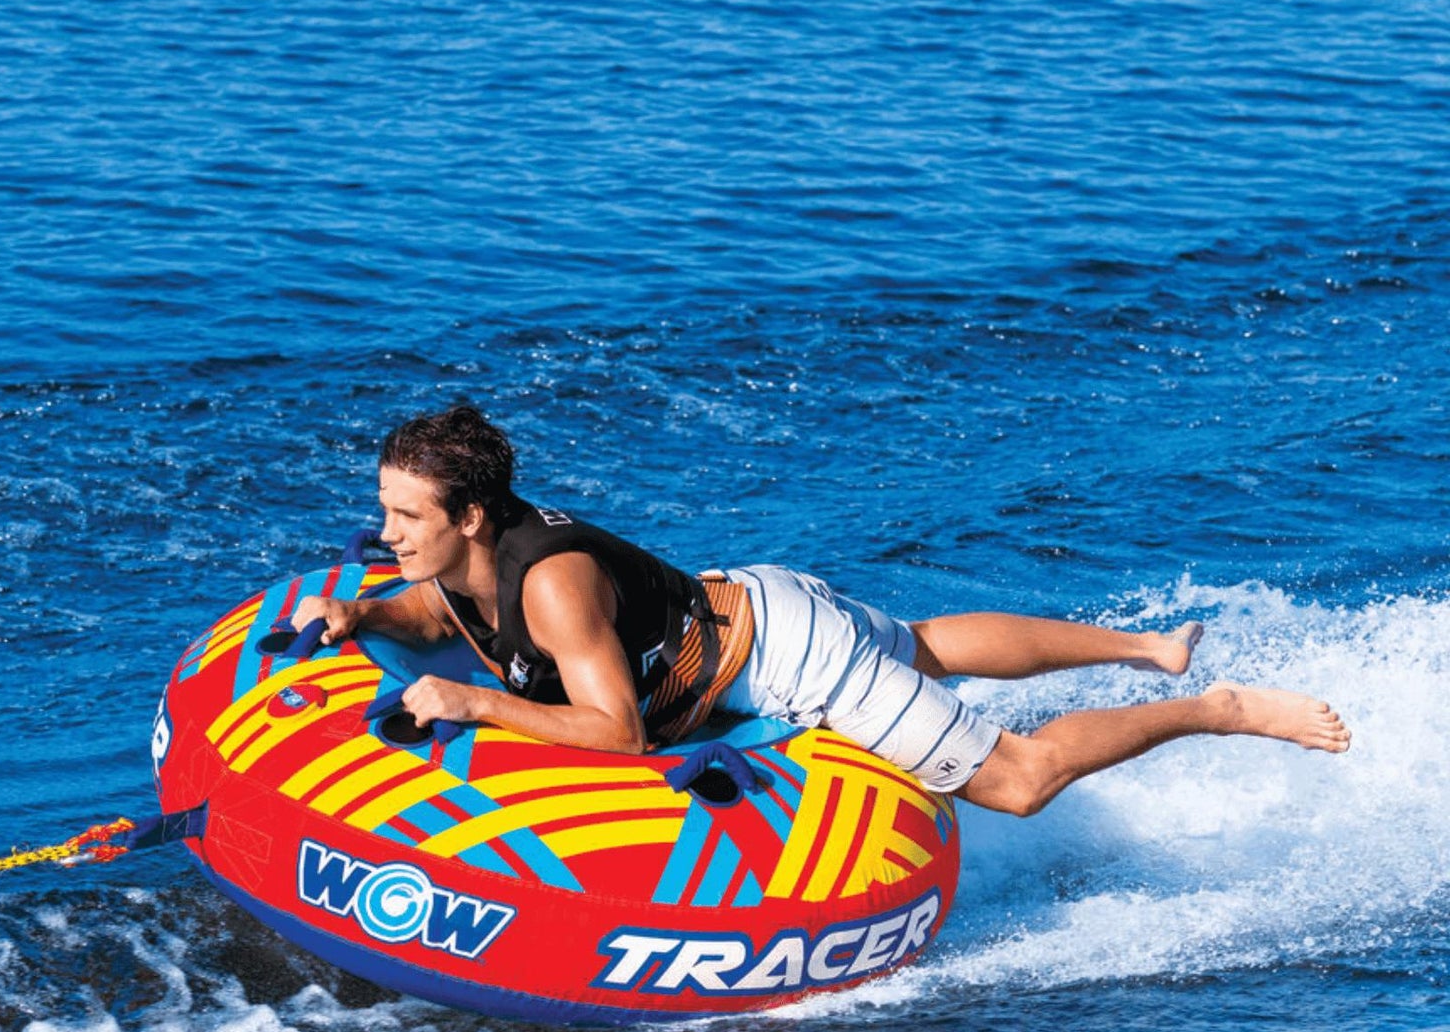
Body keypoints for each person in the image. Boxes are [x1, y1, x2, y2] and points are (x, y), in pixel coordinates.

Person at [294, 405, 1349, 815]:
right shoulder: (466, 556)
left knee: (1020, 782)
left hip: (790, 662)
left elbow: (617, 733)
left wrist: (476, 706)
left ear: (472, 516)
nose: (388, 531)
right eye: (385, 510)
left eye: (405, 514)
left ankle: (1215, 707)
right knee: (924, 648)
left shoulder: (552, 584)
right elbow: (436, 610)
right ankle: (1147, 645)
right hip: (761, 603)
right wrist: (365, 620)